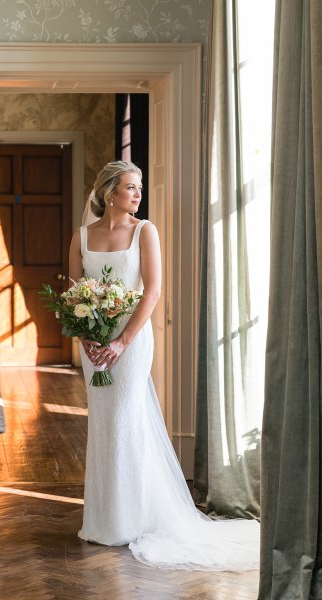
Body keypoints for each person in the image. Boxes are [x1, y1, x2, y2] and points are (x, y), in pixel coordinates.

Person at [69, 161, 259, 571]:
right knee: (103, 424)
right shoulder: (82, 236)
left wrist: (120, 341)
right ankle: (103, 520)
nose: (137, 194)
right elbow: (73, 292)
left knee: (125, 421)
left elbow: (152, 292)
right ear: (108, 194)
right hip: (94, 344)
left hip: (131, 342)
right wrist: (86, 336)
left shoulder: (145, 231)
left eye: (138, 187)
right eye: (129, 187)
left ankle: (134, 519)